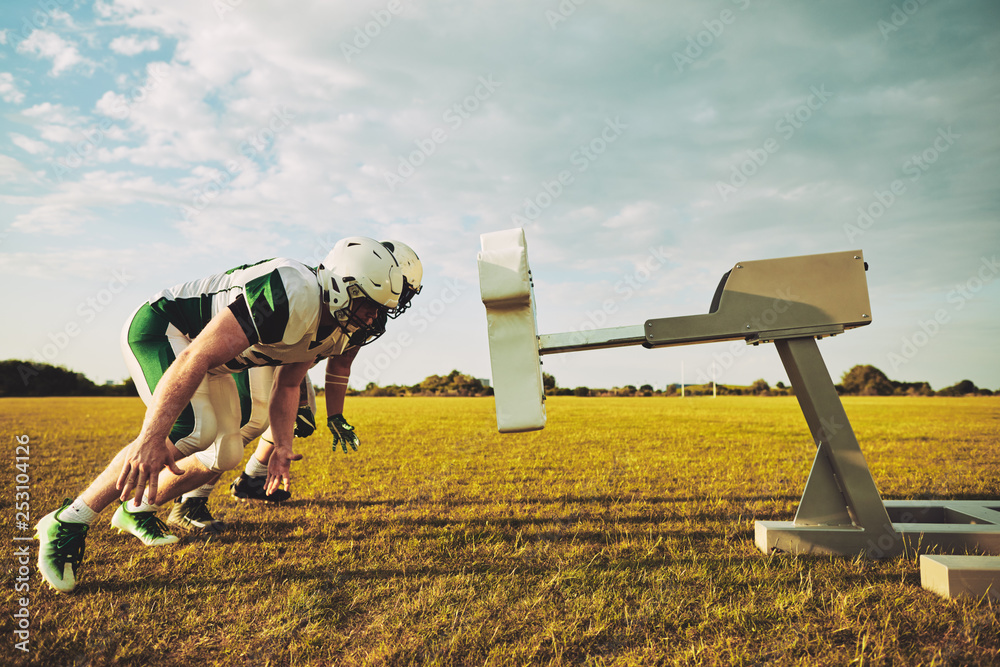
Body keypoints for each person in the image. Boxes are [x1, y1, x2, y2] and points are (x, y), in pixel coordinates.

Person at [34, 237, 411, 593]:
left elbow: (288, 385)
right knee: (190, 429)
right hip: (164, 329)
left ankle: (137, 509)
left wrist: (281, 445)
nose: (375, 318)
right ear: (342, 287)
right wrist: (151, 439)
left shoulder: (338, 331)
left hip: (211, 361)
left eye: (382, 309)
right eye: (370, 305)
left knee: (226, 452)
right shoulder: (289, 292)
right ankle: (69, 520)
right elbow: (195, 356)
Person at [165, 241, 424, 532]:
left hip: (287, 358)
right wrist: (296, 396)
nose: (396, 303)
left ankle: (253, 479)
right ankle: (190, 500)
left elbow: (339, 364)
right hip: (259, 350)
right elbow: (290, 360)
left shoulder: (365, 313)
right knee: (251, 421)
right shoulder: (324, 298)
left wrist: (334, 415)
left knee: (298, 413)